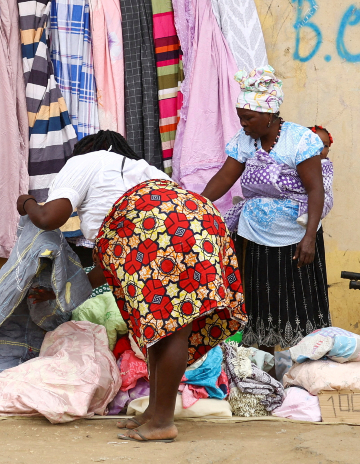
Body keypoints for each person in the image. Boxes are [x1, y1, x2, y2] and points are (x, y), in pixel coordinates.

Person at [17, 131, 245, 442]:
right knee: (162, 327)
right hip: (199, 221)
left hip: (158, 229)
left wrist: (26, 201)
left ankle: (163, 422)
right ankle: (154, 412)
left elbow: (48, 217)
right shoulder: (144, 170)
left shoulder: (83, 162)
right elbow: (106, 269)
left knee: (170, 327)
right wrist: (60, 293)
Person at [201, 66, 331, 351]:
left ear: (269, 114)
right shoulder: (245, 141)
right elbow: (225, 177)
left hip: (297, 235)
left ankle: (305, 369)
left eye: (248, 118)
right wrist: (196, 204)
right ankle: (266, 373)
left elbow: (315, 190)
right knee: (261, 305)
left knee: (300, 303)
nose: (243, 124)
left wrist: (309, 237)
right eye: (241, 118)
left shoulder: (298, 140)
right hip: (255, 235)